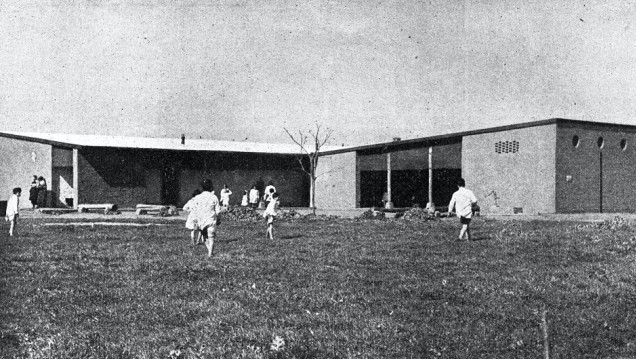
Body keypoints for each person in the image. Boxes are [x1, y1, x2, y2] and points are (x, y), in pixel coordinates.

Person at [191, 179, 221, 257]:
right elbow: (218, 211)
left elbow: (194, 210)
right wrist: (218, 219)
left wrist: (195, 220)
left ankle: (209, 252)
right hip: (211, 219)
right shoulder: (214, 197)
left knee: (204, 237)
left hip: (201, 220)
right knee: (211, 237)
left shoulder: (197, 197)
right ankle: (210, 252)